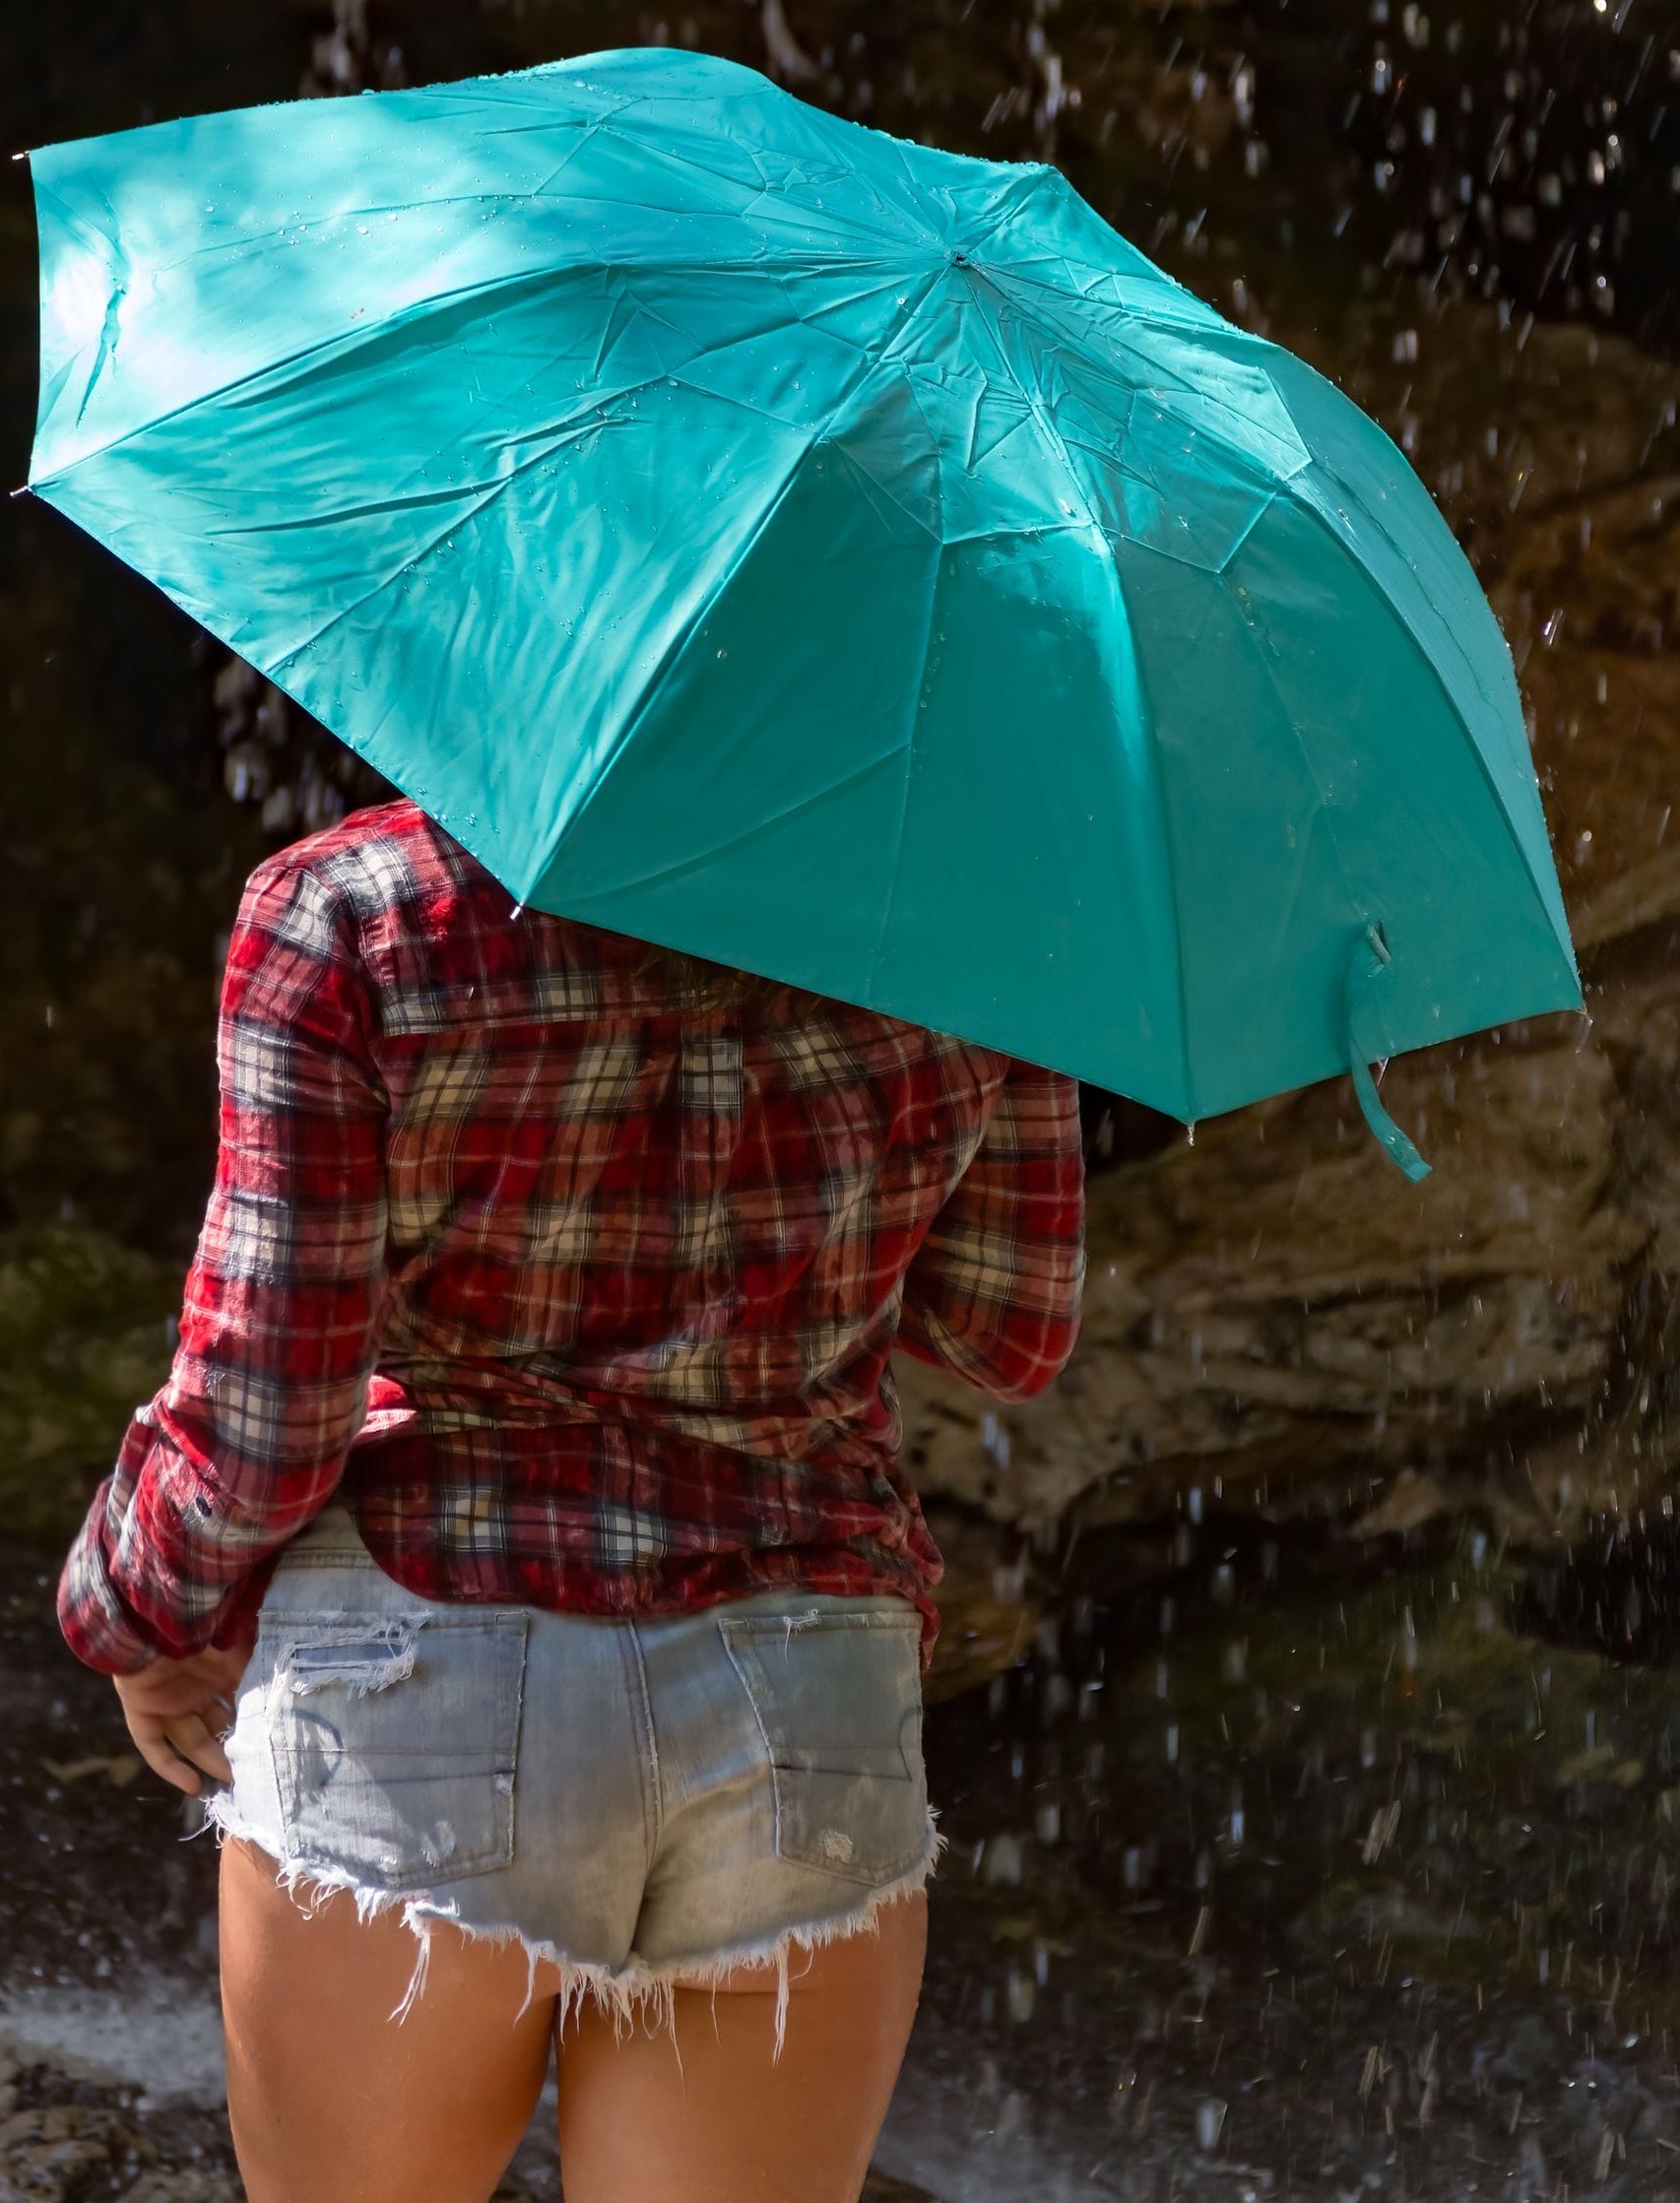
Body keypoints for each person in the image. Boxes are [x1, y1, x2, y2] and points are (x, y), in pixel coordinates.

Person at [59, 797, 1082, 2203]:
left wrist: (137, 1607)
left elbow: (268, 1406)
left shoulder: (350, 910)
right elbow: (1008, 1332)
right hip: (805, 1684)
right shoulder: (966, 914)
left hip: (425, 1660)